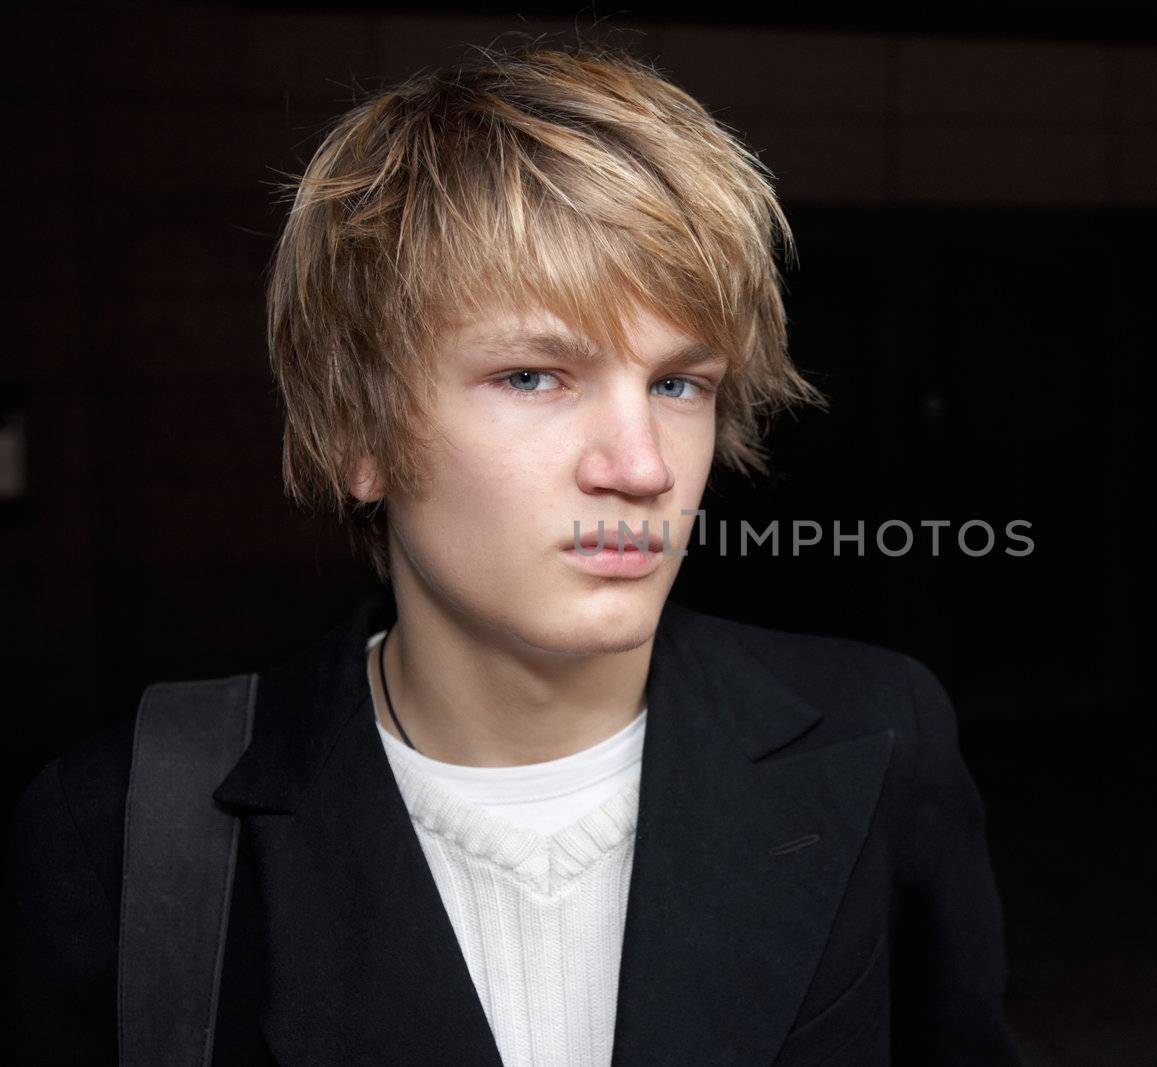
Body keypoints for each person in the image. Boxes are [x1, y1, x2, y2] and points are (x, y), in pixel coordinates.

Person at [7, 40, 1023, 1065]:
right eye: (534, 376)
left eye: (679, 383)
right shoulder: (126, 825)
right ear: (357, 432)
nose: (640, 466)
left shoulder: (878, 734)